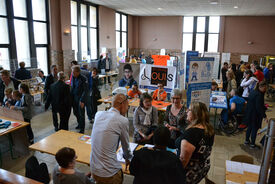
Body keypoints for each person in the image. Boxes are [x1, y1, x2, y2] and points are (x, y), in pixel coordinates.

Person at [90, 94, 132, 184]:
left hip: (94, 169)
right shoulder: (122, 120)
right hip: (109, 173)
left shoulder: (98, 114)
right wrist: (128, 158)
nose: (127, 108)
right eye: (127, 106)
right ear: (122, 104)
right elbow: (126, 147)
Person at [176, 102, 215, 184]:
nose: (186, 111)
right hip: (201, 169)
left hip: (189, 174)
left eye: (189, 110)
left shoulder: (191, 133)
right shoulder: (209, 129)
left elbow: (183, 160)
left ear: (195, 114)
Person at [244, 81, 268, 149]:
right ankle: (252, 144)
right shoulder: (259, 95)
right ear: (260, 87)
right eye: (264, 88)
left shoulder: (253, 92)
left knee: (249, 127)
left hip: (249, 113)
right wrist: (264, 116)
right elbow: (259, 107)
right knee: (254, 129)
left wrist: (263, 107)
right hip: (255, 115)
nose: (265, 90)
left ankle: (246, 141)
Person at [71, 66, 88, 133]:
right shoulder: (73, 77)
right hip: (74, 98)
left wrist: (82, 100)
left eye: (73, 72)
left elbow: (86, 90)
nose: (72, 73)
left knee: (81, 114)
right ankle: (79, 124)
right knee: (76, 112)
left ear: (78, 72)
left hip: (80, 99)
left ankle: (82, 129)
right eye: (72, 72)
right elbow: (72, 88)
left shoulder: (83, 79)